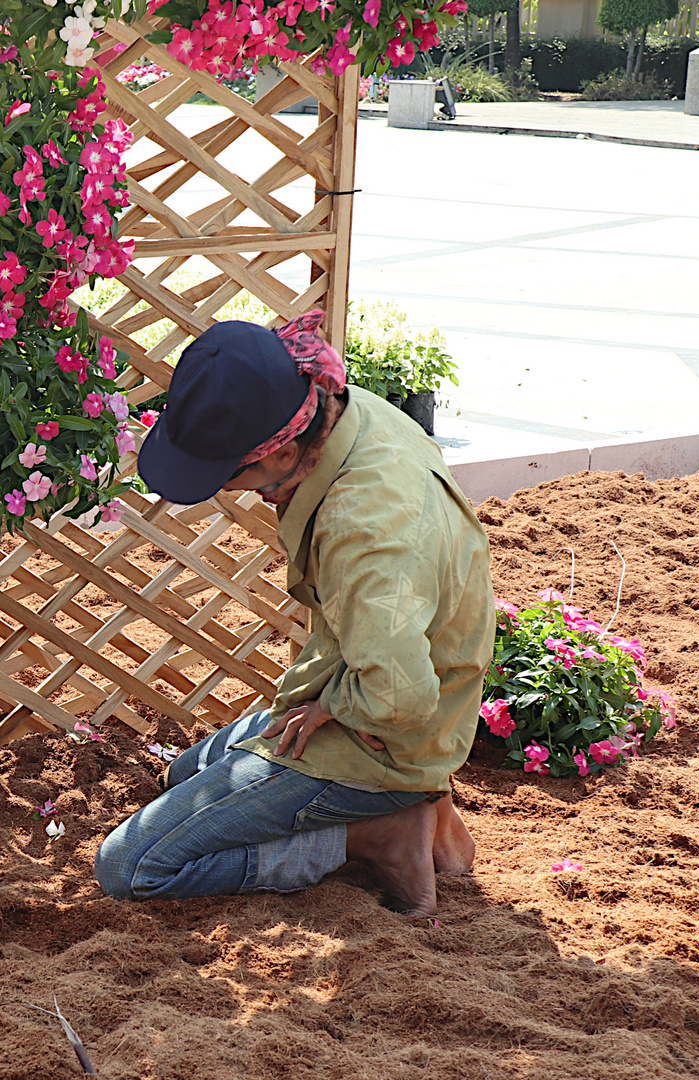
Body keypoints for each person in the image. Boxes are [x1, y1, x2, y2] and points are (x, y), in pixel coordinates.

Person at [94, 313, 494, 916]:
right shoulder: (348, 411)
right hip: (377, 684)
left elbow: (402, 697)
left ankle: (375, 833)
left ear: (280, 450)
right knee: (188, 772)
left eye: (234, 477)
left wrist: (332, 707)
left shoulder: (362, 531)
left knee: (132, 866)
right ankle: (426, 812)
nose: (234, 491)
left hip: (384, 737)